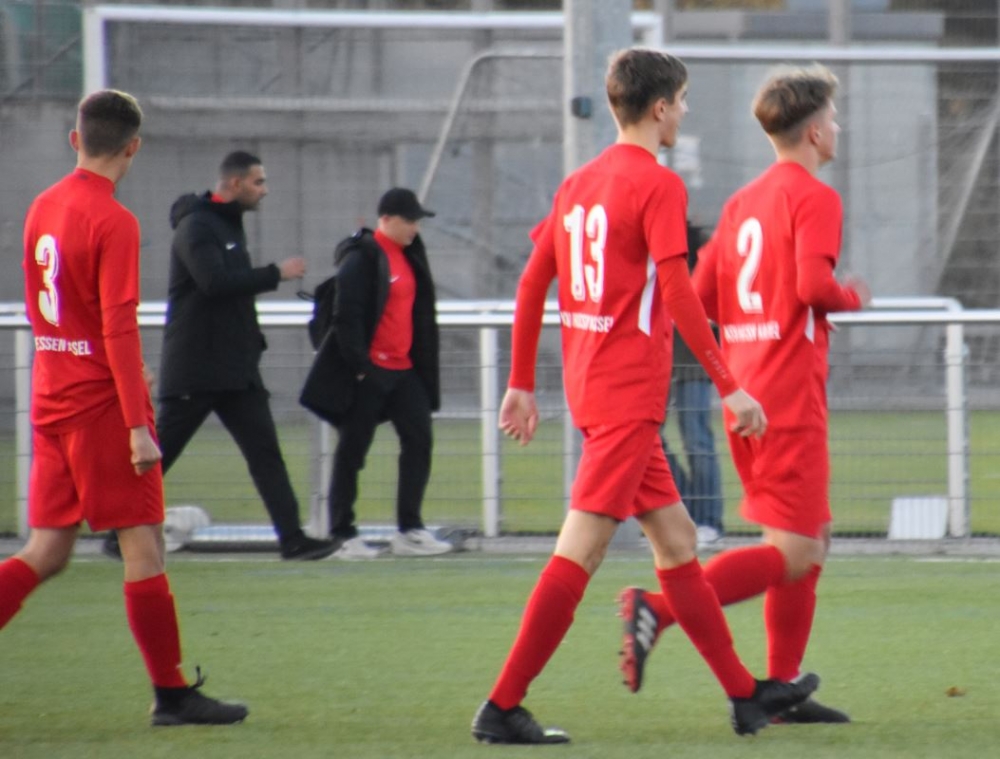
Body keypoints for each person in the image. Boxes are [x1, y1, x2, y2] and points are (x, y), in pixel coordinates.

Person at [469, 48, 820, 746]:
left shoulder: (579, 183)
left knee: (678, 540)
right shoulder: (657, 184)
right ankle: (502, 705)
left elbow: (533, 283)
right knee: (581, 550)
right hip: (627, 396)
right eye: (682, 101)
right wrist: (730, 386)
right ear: (660, 108)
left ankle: (745, 695)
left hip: (597, 389)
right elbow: (681, 292)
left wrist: (521, 382)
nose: (684, 113)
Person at [617, 63, 871, 724]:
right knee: (795, 552)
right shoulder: (815, 197)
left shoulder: (742, 203)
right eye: (833, 118)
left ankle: (783, 689)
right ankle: (658, 609)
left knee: (810, 538)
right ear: (814, 132)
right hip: (788, 396)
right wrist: (850, 298)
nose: (837, 127)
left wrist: (752, 331)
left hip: (747, 393)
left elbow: (700, 299)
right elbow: (814, 287)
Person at [1, 89, 247, 726]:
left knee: (47, 551)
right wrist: (138, 423)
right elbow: (117, 324)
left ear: (75, 139)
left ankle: (172, 692)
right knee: (144, 545)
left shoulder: (43, 205)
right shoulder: (114, 220)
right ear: (134, 147)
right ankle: (171, 694)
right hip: (100, 408)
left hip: (51, 398)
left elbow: (44, 308)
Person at [103, 151, 335, 562]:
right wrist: (275, 273)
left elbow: (231, 295)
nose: (264, 190)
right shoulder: (196, 226)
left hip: (236, 371)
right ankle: (117, 534)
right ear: (234, 183)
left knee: (266, 455)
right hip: (197, 368)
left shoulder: (227, 225)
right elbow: (213, 283)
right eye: (258, 182)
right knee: (158, 456)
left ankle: (293, 540)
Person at [316, 187, 452, 559]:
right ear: (386, 220)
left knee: (419, 441)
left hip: (404, 370)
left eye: (417, 221)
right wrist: (361, 368)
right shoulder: (361, 257)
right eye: (409, 221)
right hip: (370, 372)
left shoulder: (412, 254)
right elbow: (346, 317)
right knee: (352, 451)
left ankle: (410, 530)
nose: (415, 228)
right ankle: (342, 533)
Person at [662, 221, 725, 547]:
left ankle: (707, 520)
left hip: (693, 358)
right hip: (653, 358)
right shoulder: (638, 241)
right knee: (648, 440)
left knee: (697, 439)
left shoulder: (698, 244)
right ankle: (685, 510)